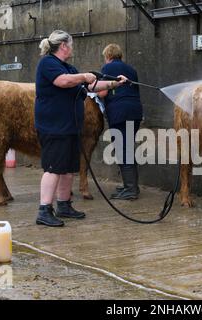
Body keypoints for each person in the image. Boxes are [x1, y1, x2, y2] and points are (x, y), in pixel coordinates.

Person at [35, 31, 127, 227]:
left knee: (68, 169)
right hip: (54, 126)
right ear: (63, 46)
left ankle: (64, 205)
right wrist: (84, 76)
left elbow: (91, 87)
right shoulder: (48, 63)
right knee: (53, 169)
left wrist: (114, 83)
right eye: (71, 44)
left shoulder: (68, 67)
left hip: (70, 127)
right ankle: (44, 210)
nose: (72, 48)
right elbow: (63, 81)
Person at [98, 44, 143, 200]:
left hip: (119, 113)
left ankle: (131, 189)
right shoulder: (131, 70)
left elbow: (102, 92)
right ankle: (130, 186)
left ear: (108, 56)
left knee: (123, 150)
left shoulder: (107, 69)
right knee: (128, 147)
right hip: (135, 111)